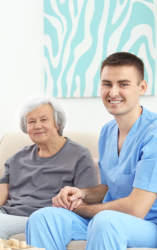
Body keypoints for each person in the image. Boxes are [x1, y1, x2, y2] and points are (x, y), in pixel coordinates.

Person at [25, 52, 157, 250]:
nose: (113, 92)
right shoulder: (107, 132)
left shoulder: (153, 133)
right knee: (42, 218)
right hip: (106, 219)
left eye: (123, 84)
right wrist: (81, 194)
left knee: (105, 222)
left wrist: (85, 209)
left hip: (146, 225)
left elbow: (137, 208)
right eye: (107, 84)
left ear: (142, 87)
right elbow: (107, 188)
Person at [0, 96, 98, 239]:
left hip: (41, 218)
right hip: (8, 213)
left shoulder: (79, 155)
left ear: (58, 123)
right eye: (31, 121)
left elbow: (86, 199)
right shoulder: (17, 158)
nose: (37, 126)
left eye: (44, 120)